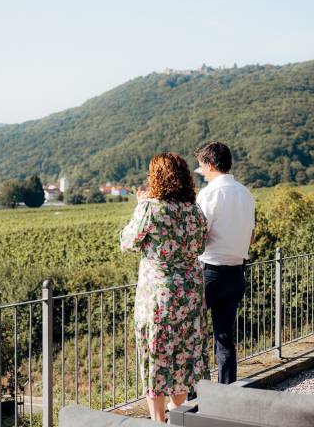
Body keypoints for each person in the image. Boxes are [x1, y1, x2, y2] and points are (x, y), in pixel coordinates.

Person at [120, 152, 209, 423]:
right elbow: (202, 246)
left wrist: (140, 203)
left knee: (156, 357)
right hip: (191, 294)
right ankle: (177, 414)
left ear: (155, 177)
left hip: (159, 296)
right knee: (183, 354)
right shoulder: (194, 210)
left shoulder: (150, 208)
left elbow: (127, 242)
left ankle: (159, 422)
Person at [194, 142, 255, 384]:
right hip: (236, 274)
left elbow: (199, 233)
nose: (202, 173)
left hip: (210, 272)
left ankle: (194, 396)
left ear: (209, 165)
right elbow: (251, 235)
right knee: (225, 339)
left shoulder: (209, 193)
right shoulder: (245, 193)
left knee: (194, 335)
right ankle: (226, 394)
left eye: (201, 167)